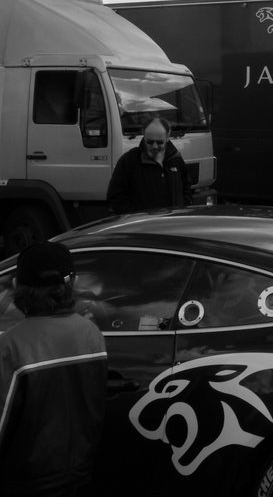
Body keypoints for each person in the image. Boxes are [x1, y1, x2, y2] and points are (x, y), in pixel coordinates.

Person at [0, 242, 107, 496]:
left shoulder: (11, 344)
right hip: (80, 474)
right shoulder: (91, 332)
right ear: (71, 284)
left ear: (17, 287)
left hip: (25, 481)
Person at [107, 116, 192, 214]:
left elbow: (187, 187)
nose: (155, 146)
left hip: (173, 224)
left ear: (168, 137)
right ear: (143, 135)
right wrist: (134, 217)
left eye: (160, 142)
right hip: (142, 226)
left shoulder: (176, 159)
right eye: (150, 142)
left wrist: (183, 208)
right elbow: (115, 196)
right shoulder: (129, 161)